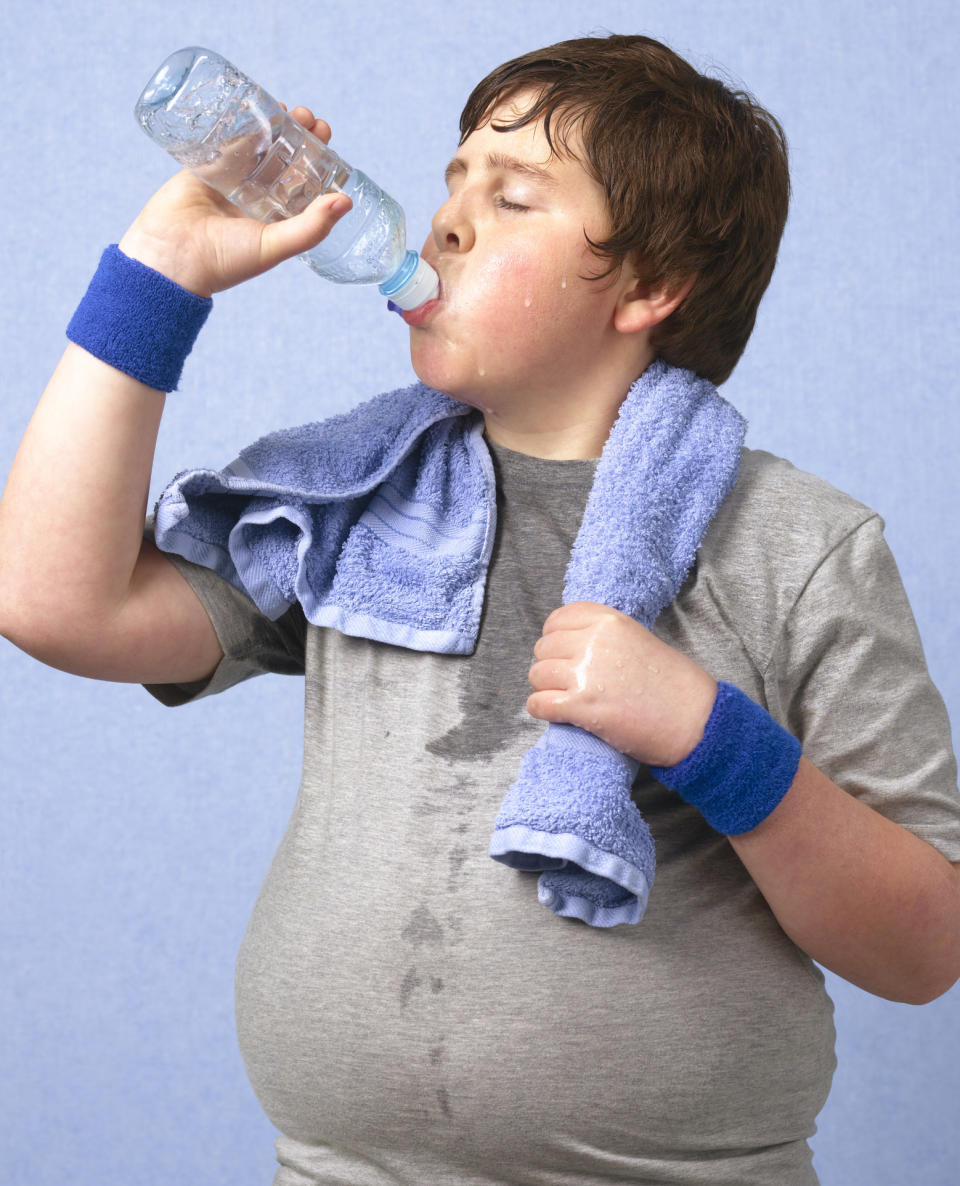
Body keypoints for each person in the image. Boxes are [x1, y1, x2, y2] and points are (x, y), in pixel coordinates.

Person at [2, 32, 959, 1186]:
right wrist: (159, 269)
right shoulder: (356, 503)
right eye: (452, 181)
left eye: (510, 198)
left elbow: (925, 944)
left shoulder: (795, 546)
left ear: (652, 287)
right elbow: (54, 601)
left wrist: (714, 740)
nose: (446, 221)